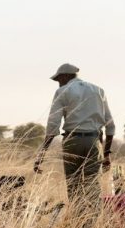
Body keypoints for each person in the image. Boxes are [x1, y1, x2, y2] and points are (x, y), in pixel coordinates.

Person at [33, 63, 115, 202]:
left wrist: (42, 153)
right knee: (92, 185)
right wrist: (106, 154)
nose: (58, 84)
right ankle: (93, 220)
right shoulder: (98, 90)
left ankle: (76, 218)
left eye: (59, 80)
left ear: (65, 76)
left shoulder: (62, 92)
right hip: (93, 142)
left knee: (73, 185)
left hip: (72, 141)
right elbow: (110, 125)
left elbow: (53, 125)